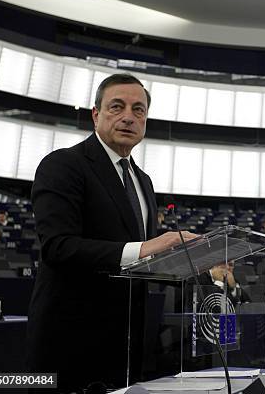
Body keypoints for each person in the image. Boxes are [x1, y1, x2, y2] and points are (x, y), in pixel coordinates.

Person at [27, 73, 197, 393]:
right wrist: (144, 248)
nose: (128, 117)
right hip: (70, 345)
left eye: (138, 110)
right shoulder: (63, 164)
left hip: (128, 347)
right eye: (116, 107)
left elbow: (147, 261)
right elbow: (57, 247)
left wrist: (198, 262)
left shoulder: (143, 181)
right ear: (96, 114)